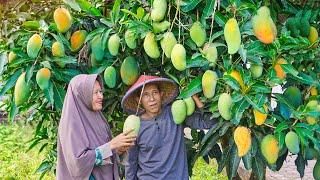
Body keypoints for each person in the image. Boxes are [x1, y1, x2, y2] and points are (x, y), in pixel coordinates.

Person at [121, 75, 217, 180]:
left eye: (155, 93)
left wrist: (196, 99)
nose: (152, 99)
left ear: (161, 94)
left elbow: (210, 122)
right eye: (146, 95)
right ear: (139, 100)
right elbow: (131, 161)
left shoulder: (175, 113)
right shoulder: (135, 126)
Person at [56, 74, 136, 180]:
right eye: (95, 93)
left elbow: (103, 154)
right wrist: (111, 145)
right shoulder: (71, 125)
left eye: (100, 91)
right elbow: (78, 163)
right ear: (81, 95)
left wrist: (117, 150)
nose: (101, 96)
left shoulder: (98, 118)